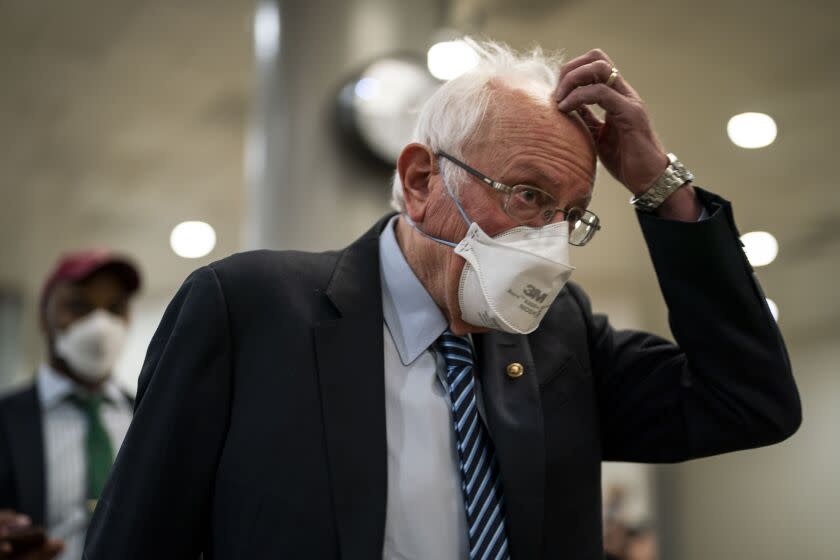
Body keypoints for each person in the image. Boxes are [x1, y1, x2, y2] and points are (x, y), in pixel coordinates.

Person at [84, 41, 800, 559]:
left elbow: (749, 401)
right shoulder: (249, 310)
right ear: (423, 181)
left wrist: (660, 188)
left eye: (569, 214)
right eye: (527, 196)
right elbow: (136, 537)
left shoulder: (561, 336)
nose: (549, 238)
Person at [0, 251, 140, 560]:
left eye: (115, 308)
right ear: (43, 316)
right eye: (79, 306)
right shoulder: (6, 419)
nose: (100, 325)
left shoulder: (147, 417)